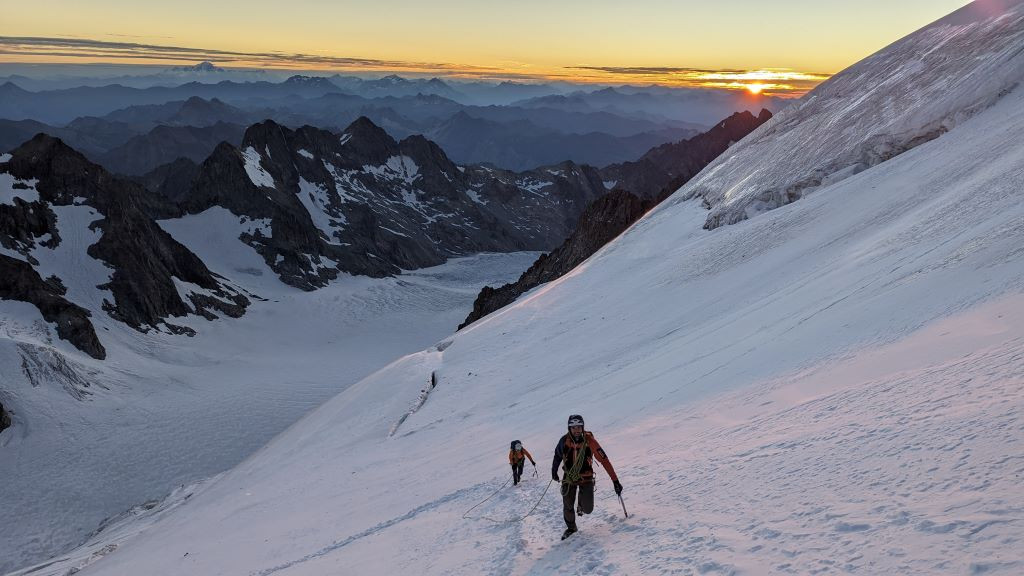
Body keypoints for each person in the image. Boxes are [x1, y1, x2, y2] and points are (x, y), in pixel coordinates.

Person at [551, 414, 623, 540]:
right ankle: (571, 528)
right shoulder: (564, 441)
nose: (576, 430)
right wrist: (554, 471)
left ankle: (581, 504)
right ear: (569, 428)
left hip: (586, 477)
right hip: (569, 477)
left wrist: (615, 481)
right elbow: (557, 456)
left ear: (583, 427)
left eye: (579, 427)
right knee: (568, 505)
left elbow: (604, 460)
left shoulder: (590, 441)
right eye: (573, 427)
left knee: (588, 509)